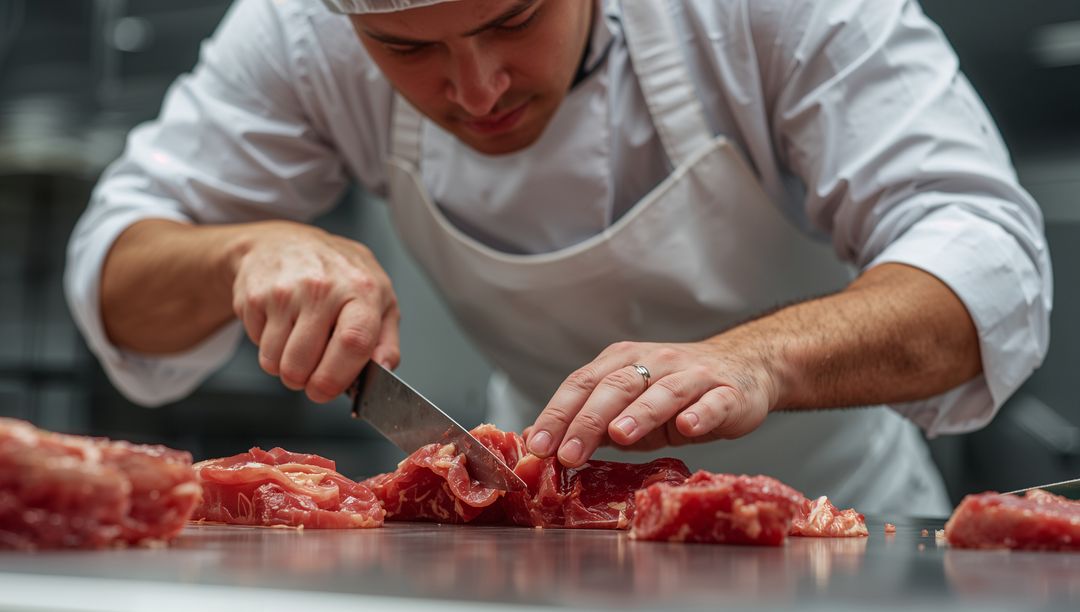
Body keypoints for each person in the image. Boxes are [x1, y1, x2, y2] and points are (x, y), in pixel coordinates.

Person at [64, 0, 1052, 516]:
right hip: (549, 539)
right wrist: (245, 249)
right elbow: (115, 271)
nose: (477, 87)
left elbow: (986, 258)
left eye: (513, 20)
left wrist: (757, 360)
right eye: (407, 50)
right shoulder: (294, 32)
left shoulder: (769, 11)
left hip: (831, 534)